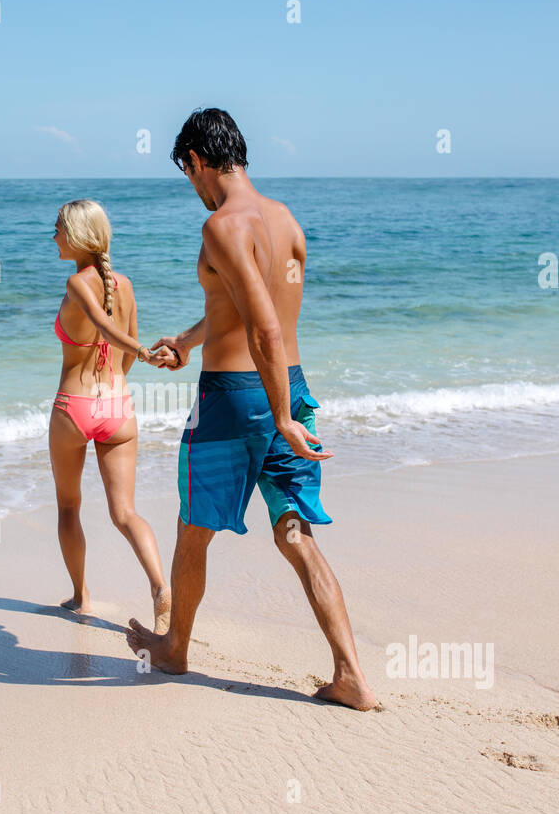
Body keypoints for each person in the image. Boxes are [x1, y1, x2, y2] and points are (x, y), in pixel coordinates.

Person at [124, 110, 379, 710]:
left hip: (233, 400)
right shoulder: (286, 221)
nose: (192, 186)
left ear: (198, 162)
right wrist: (189, 342)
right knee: (296, 533)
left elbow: (261, 328)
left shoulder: (220, 225)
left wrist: (278, 415)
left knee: (194, 531)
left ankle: (175, 647)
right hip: (291, 383)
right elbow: (249, 305)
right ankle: (351, 675)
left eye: (188, 173)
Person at [49, 199, 174, 632]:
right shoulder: (126, 283)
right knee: (125, 513)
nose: (54, 237)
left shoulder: (77, 283)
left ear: (78, 236)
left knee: (69, 506)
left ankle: (81, 595)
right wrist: (123, 374)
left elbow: (104, 327)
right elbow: (125, 344)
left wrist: (140, 352)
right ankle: (160, 585)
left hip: (74, 407)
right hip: (118, 408)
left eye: (59, 229)